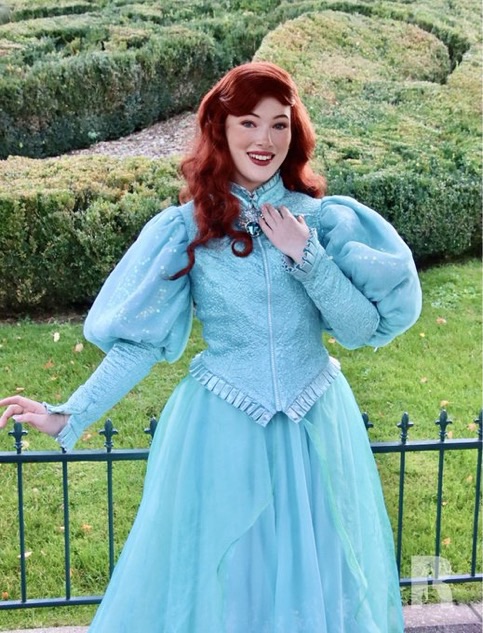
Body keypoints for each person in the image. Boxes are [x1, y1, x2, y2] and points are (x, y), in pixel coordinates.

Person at [0, 61, 422, 632]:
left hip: (314, 426)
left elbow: (357, 329)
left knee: (318, 572)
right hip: (222, 428)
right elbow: (141, 345)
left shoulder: (322, 221)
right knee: (228, 576)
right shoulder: (187, 228)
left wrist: (306, 255)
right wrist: (70, 413)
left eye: (279, 124)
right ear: (220, 129)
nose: (264, 139)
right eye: (249, 122)